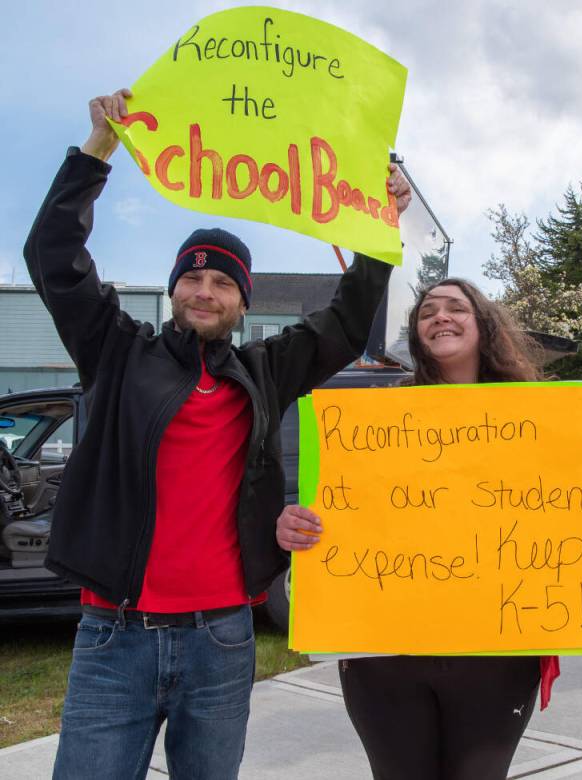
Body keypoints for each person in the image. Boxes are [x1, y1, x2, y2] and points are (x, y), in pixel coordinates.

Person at [24, 89, 411, 779]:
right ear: (175, 290)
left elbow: (349, 321)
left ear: (242, 300)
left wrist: (380, 225)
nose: (205, 291)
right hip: (115, 636)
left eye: (221, 283)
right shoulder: (115, 350)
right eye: (193, 277)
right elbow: (53, 254)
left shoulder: (266, 369)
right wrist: (96, 150)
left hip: (222, 638)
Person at [276, 278, 582, 780]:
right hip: (385, 655)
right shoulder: (375, 422)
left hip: (496, 654)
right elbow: (343, 510)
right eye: (427, 311)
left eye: (456, 307)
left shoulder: (546, 418)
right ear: (417, 333)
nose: (440, 317)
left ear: (484, 324)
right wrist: (295, 526)